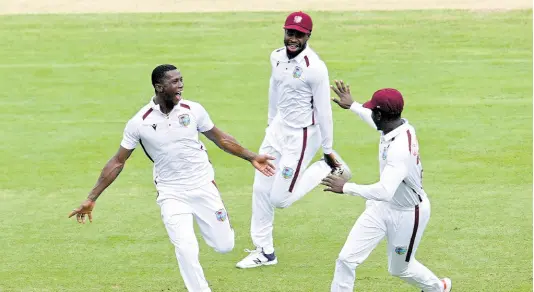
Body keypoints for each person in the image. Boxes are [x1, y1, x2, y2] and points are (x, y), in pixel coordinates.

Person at [68, 64, 276, 292]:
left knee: (224, 245)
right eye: (175, 82)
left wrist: (252, 157)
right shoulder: (140, 122)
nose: (181, 85)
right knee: (186, 248)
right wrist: (91, 198)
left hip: (203, 186)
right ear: (159, 87)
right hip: (171, 193)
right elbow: (118, 161)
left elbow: (221, 139)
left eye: (181, 80)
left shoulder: (193, 110)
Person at [236, 11, 351, 269]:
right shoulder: (276, 56)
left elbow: (324, 110)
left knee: (279, 199)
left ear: (308, 35)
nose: (293, 39)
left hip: (302, 136)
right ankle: (264, 251)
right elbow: (274, 88)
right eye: (290, 32)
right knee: (260, 188)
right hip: (277, 131)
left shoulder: (314, 68)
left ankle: (329, 166)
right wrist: (270, 122)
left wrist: (328, 148)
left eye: (299, 35)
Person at [321, 80, 452, 292]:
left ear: (380, 116)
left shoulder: (400, 149)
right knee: (346, 259)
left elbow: (384, 190)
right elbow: (374, 121)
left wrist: (346, 187)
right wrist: (353, 105)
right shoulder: (397, 126)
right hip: (380, 208)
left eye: (372, 109)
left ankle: (438, 288)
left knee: (399, 269)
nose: (369, 111)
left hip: (408, 213)